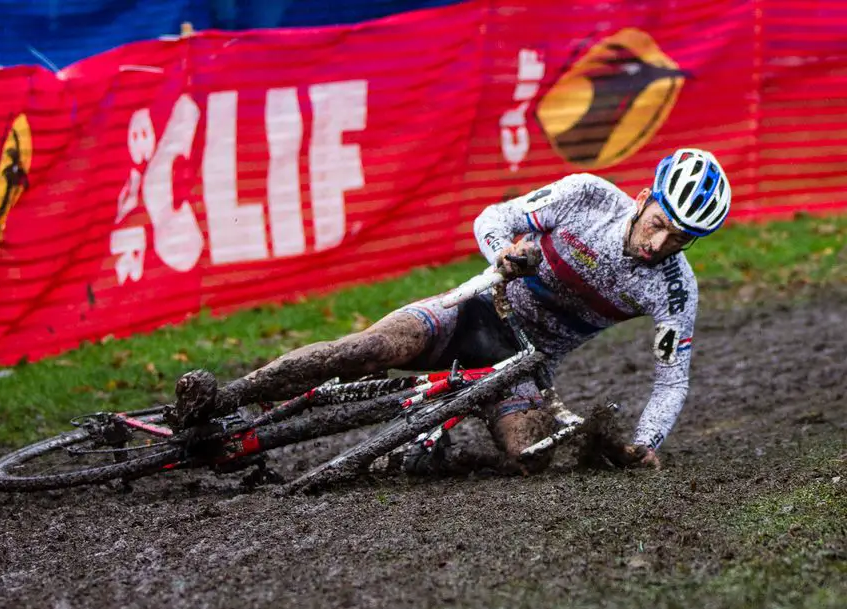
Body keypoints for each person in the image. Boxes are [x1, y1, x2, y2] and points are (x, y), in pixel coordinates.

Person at [173, 148, 732, 475]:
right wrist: (504, 252)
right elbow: (492, 217)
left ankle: (431, 441)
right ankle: (224, 397)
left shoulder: (674, 289)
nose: (658, 246)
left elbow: (672, 378)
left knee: (529, 457)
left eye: (679, 241)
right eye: (659, 224)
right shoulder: (586, 196)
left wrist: (646, 443)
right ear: (642, 198)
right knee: (368, 349)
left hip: (522, 362)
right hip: (472, 311)